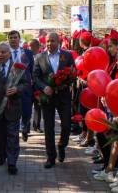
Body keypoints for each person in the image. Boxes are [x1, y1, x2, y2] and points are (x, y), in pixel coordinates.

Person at [33, 32, 75, 168]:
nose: (49, 44)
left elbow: (73, 74)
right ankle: (51, 157)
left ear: (58, 42)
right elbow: (35, 77)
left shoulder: (67, 56)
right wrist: (44, 87)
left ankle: (62, 145)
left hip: (63, 97)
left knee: (67, 126)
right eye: (47, 41)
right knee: (49, 128)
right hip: (47, 98)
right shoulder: (40, 57)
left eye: (52, 41)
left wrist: (64, 83)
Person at [0, 42, 28, 175]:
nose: (0, 54)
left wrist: (17, 89)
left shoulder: (18, 68)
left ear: (9, 53)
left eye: (3, 52)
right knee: (0, 135)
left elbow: (26, 84)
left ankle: (12, 162)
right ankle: (1, 155)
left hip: (13, 107)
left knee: (12, 136)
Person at [7, 30, 34, 142]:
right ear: (8, 39)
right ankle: (14, 130)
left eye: (15, 37)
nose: (13, 39)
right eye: (11, 37)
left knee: (27, 110)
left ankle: (25, 127)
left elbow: (32, 68)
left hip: (25, 86)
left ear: (19, 39)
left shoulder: (27, 53)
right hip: (10, 86)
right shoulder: (5, 52)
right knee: (12, 110)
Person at [29, 39, 43, 132]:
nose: (31, 48)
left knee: (38, 107)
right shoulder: (26, 57)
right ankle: (25, 126)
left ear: (38, 47)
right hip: (28, 86)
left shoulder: (42, 57)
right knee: (27, 107)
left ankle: (36, 126)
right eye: (30, 46)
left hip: (38, 86)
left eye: (32, 46)